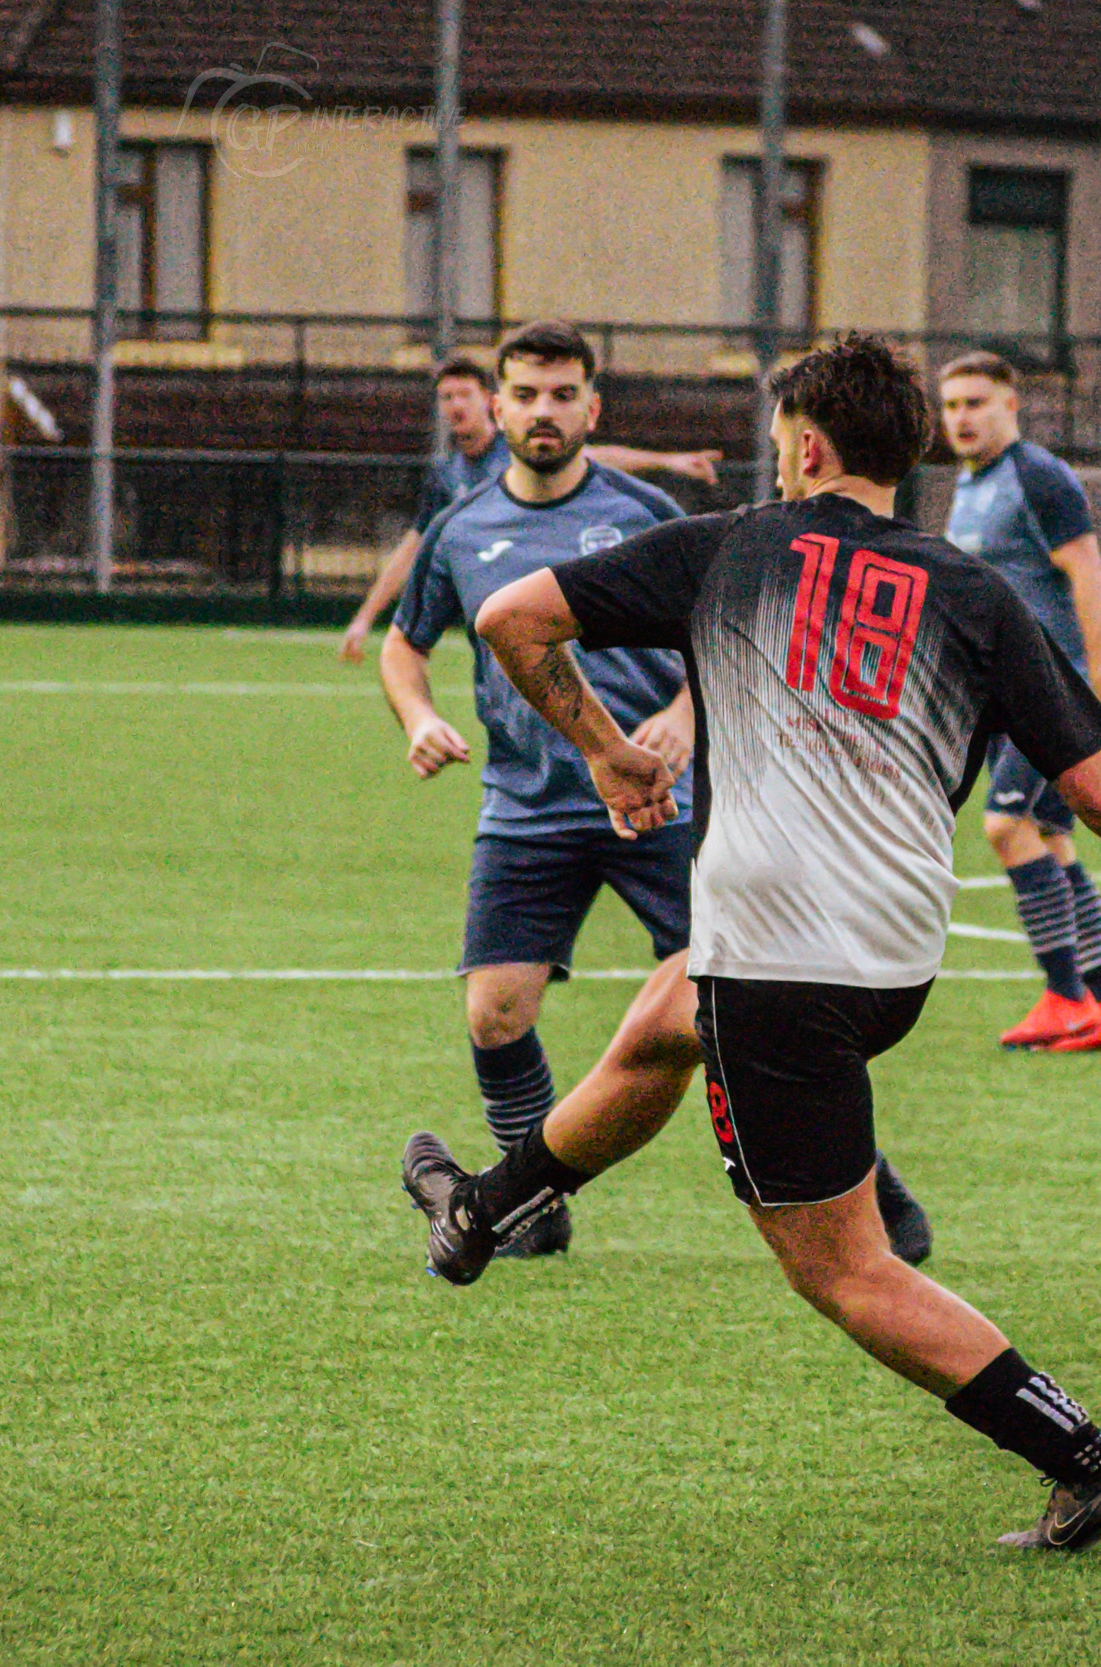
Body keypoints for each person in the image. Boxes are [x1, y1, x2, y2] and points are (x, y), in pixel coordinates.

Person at [402, 333, 1101, 1550]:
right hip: (893, 957)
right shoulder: (970, 588)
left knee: (843, 1271)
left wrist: (606, 750)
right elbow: (1100, 782)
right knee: (659, 1018)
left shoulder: (735, 544)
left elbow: (507, 620)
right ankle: (487, 1211)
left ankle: (1087, 1457)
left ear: (805, 443)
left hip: (777, 964)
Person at [380, 319, 931, 1264]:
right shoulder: (459, 527)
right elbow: (405, 644)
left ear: (593, 407)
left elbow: (730, 632)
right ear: (497, 407)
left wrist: (681, 711)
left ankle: (873, 1189)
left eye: (564, 395)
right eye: (526, 394)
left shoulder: (643, 512)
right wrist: (419, 716)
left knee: (741, 1002)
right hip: (527, 806)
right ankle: (533, 1207)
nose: (543, 411)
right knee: (495, 1011)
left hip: (658, 800)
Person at [938, 352, 1101, 1051]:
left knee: (1005, 825)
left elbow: (1085, 565)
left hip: (1049, 688)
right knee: (1051, 834)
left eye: (976, 402)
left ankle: (1064, 996)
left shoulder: (1037, 476)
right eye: (952, 405)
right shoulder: (971, 484)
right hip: (1001, 695)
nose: (962, 417)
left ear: (1011, 406)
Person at [337, 358, 722, 663]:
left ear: (490, 403)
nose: (455, 405)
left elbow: (595, 457)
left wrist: (670, 462)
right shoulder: (446, 474)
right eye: (446, 397)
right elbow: (414, 547)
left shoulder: (523, 450)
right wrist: (364, 619)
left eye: (464, 394)